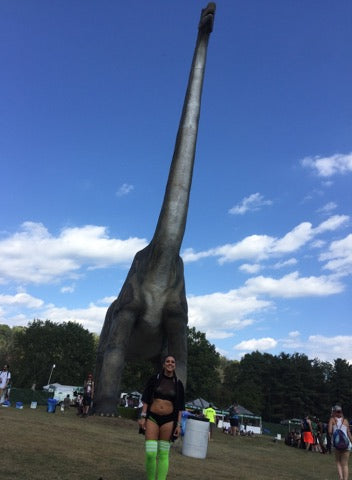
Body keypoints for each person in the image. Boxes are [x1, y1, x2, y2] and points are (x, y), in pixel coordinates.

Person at [138, 355, 185, 480]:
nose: (170, 363)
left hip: (169, 421)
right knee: (150, 453)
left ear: (175, 365)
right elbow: (146, 399)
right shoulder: (154, 379)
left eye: (172, 362)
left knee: (164, 454)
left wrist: (179, 425)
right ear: (164, 364)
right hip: (152, 418)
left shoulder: (178, 384)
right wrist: (143, 416)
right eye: (167, 361)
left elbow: (180, 407)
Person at [328, 405, 352, 480]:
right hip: (347, 445)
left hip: (337, 445)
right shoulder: (346, 420)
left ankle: (341, 477)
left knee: (338, 462)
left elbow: (329, 431)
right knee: (345, 464)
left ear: (334, 412)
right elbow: (349, 434)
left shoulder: (332, 420)